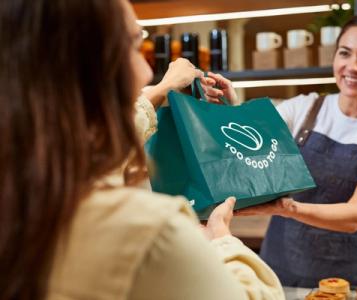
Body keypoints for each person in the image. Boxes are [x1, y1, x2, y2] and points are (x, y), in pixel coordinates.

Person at [0, 0, 284, 299]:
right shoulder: (150, 232)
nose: (147, 72)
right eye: (135, 46)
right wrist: (222, 239)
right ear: (90, 70)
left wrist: (165, 93)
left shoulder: (22, 202)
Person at [209, 14, 357, 288]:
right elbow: (249, 143)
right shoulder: (302, 109)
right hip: (279, 272)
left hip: (349, 283)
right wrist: (229, 110)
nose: (352, 66)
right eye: (345, 53)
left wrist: (288, 208)